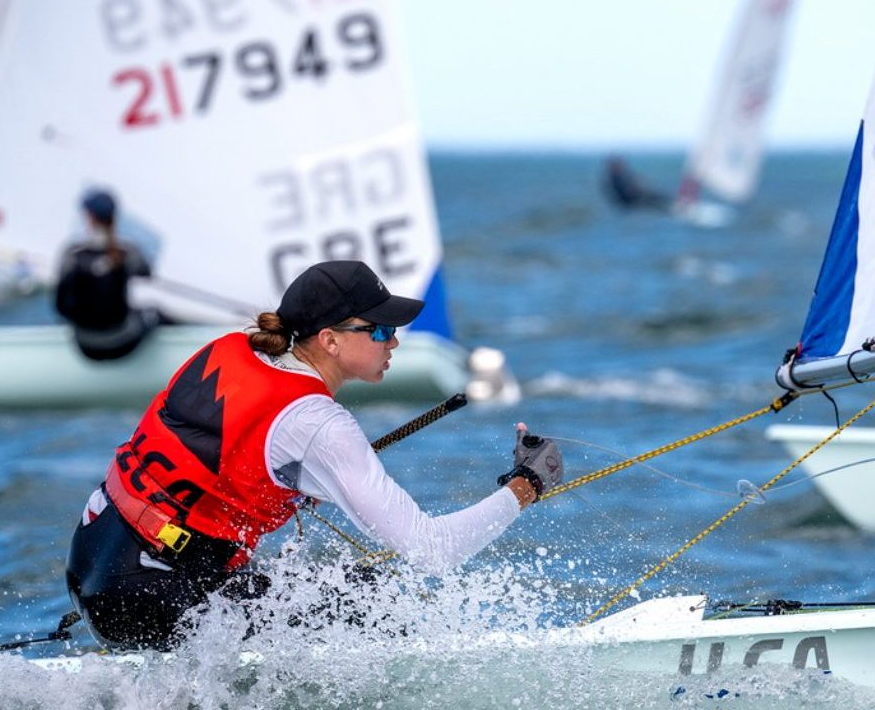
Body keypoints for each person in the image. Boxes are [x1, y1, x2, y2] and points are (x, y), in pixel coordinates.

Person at [64, 259, 563, 651]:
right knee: (373, 596)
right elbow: (431, 551)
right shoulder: (316, 426)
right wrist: (525, 487)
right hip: (145, 599)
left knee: (302, 589)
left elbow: (218, 457)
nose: (395, 341)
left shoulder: (231, 348)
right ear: (329, 340)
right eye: (381, 331)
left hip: (91, 559)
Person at [54, 189, 161, 360]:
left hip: (85, 347)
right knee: (154, 313)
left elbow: (60, 306)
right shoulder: (129, 252)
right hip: (123, 344)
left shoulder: (71, 253)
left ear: (89, 217)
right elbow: (147, 276)